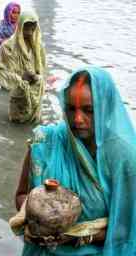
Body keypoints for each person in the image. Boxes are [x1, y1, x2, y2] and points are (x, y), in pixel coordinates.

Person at [13, 67, 136, 255]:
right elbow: (21, 195)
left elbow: (127, 227)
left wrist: (80, 237)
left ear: (106, 110)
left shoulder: (124, 157)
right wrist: (35, 218)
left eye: (88, 110)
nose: (78, 119)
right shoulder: (46, 141)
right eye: (71, 109)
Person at [0, 11, 46, 123]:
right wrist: (21, 78)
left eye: (33, 29)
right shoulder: (7, 47)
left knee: (35, 126)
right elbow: (0, 72)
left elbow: (42, 70)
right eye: (26, 28)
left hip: (36, 98)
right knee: (16, 126)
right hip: (18, 99)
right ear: (20, 26)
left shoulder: (38, 47)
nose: (29, 33)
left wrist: (36, 77)